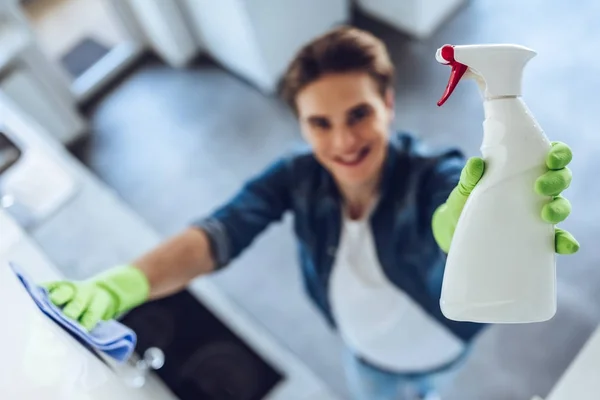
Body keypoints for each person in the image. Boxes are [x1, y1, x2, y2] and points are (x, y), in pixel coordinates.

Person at [43, 26, 579, 399]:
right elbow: (218, 233)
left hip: (439, 344)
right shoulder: (296, 177)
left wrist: (469, 226)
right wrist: (120, 287)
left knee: (428, 386)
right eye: (320, 123)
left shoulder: (433, 173)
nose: (343, 141)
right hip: (361, 349)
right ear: (300, 124)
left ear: (388, 103)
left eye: (359, 114)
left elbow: (448, 218)